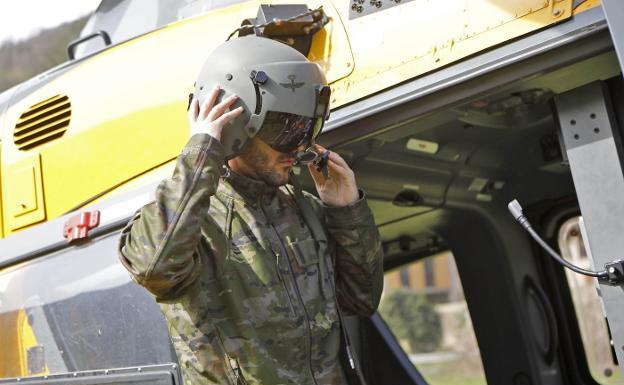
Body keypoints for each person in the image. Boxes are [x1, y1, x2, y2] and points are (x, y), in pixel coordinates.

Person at [118, 36, 383, 385]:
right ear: (234, 126)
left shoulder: (302, 209)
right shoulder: (193, 221)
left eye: (307, 130)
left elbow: (361, 299)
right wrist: (203, 150)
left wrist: (347, 212)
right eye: (286, 130)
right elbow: (154, 267)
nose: (299, 147)